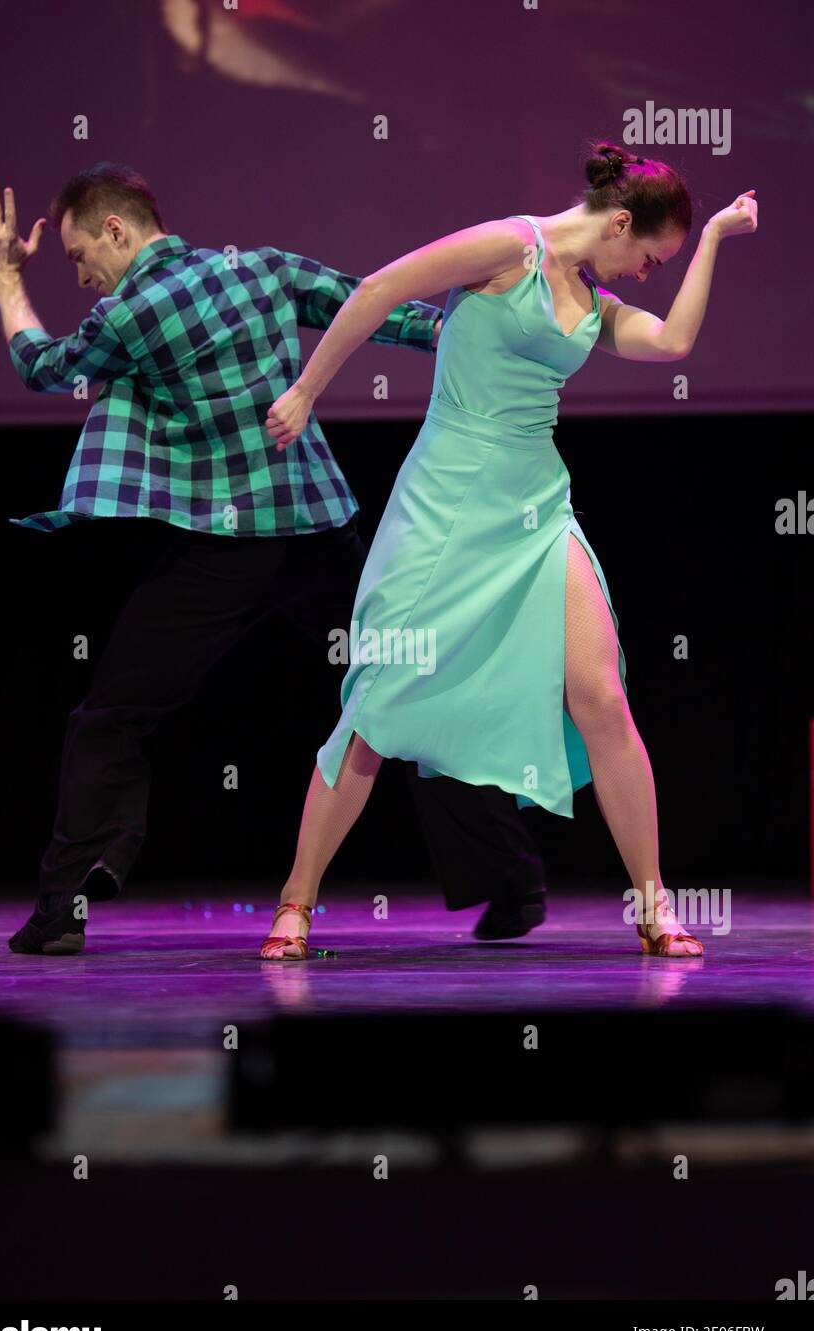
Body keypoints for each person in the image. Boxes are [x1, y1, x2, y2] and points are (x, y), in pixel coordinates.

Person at [0, 162, 548, 955]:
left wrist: (3, 275)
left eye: (75, 256)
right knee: (413, 693)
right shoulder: (264, 268)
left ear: (116, 231)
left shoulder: (130, 312)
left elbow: (42, 367)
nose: (80, 274)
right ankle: (512, 884)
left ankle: (66, 904)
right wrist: (489, 329)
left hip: (220, 554)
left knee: (113, 716)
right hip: (315, 532)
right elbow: (378, 309)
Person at [259, 139, 759, 961]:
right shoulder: (509, 246)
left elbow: (671, 344)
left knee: (600, 697)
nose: (646, 273)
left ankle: (653, 903)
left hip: (536, 506)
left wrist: (711, 241)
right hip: (449, 500)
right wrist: (307, 389)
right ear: (621, 221)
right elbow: (382, 288)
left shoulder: (591, 304)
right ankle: (296, 904)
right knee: (377, 706)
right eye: (651, 255)